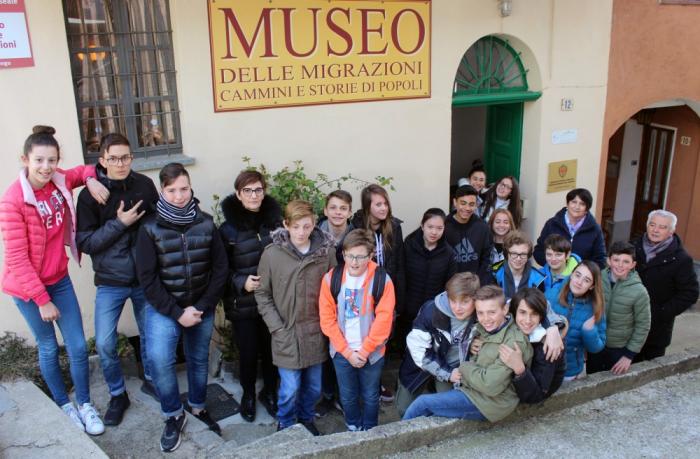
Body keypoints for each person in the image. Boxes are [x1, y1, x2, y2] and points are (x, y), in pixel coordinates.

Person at [0, 125, 109, 435]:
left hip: (58, 278)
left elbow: (84, 169)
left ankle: (85, 404)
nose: (46, 167)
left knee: (76, 345)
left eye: (52, 160)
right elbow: (17, 259)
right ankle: (64, 405)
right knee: (48, 347)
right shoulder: (12, 201)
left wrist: (89, 179)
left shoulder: (57, 179)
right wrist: (42, 300)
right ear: (25, 159)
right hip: (26, 288)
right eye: (39, 161)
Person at [136, 163, 228, 452]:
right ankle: (174, 414)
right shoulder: (149, 228)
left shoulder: (206, 223)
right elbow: (147, 279)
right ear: (162, 191)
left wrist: (200, 307)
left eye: (184, 189)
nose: (179, 196)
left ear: (191, 188)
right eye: (172, 190)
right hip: (165, 308)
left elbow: (221, 269)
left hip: (201, 305)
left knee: (198, 359)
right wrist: (177, 313)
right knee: (160, 360)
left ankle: (199, 408)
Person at [76, 133, 159, 426]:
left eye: (126, 157)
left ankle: (151, 380)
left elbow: (157, 226)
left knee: (150, 335)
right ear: (102, 160)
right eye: (113, 158)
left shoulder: (145, 185)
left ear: (132, 158)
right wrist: (120, 223)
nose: (120, 163)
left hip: (144, 278)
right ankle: (117, 393)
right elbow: (86, 243)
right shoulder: (89, 196)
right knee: (106, 342)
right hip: (110, 281)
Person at [255, 200, 337, 435]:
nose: (302, 232)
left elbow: (334, 290)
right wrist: (277, 327)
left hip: (316, 331)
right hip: (286, 331)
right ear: (286, 225)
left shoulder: (326, 253)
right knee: (289, 387)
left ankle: (306, 416)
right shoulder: (272, 254)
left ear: (314, 225)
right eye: (296, 227)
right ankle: (286, 422)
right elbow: (262, 292)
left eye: (307, 226)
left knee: (313, 386)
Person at [402, 285, 533, 423]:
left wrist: (464, 367)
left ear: (505, 309)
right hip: (473, 390)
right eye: (480, 313)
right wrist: (470, 345)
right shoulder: (487, 327)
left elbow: (489, 386)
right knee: (432, 406)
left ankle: (397, 442)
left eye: (491, 312)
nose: (486, 319)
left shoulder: (513, 344)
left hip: (489, 403)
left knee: (422, 404)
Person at [219, 170, 282, 422]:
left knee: (271, 351)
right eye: (248, 190)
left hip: (273, 302)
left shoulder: (275, 223)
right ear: (238, 194)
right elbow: (219, 269)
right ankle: (247, 394)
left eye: (258, 190)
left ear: (264, 191)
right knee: (247, 352)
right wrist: (240, 281)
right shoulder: (227, 229)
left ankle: (270, 392)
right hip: (242, 303)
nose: (254, 195)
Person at [318, 229, 396, 431]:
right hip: (342, 352)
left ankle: (370, 429)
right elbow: (327, 320)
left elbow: (384, 320)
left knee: (370, 395)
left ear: (371, 256)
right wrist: (347, 352)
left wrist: (363, 351)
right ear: (343, 254)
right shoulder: (331, 279)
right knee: (347, 394)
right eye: (350, 256)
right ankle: (353, 426)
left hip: (372, 352)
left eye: (360, 257)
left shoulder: (382, 280)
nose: (354, 262)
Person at [395, 272, 480, 417]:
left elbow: (495, 325)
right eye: (453, 301)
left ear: (475, 299)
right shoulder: (431, 312)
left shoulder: (480, 314)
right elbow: (419, 351)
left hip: (454, 365)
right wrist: (447, 373)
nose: (458, 307)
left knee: (446, 409)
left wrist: (474, 343)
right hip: (422, 365)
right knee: (404, 409)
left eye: (465, 302)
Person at [350, 184, 404, 402]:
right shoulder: (355, 227)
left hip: (386, 292)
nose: (384, 208)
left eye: (386, 203)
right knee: (360, 338)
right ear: (367, 206)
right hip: (362, 292)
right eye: (378, 204)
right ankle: (356, 385)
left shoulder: (394, 227)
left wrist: (399, 300)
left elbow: (399, 264)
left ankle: (375, 383)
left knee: (381, 340)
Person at [631, 210, 699, 361]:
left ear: (671, 231)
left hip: (655, 331)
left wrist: (662, 312)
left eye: (662, 227)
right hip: (626, 324)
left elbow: (690, 293)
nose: (655, 230)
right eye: (652, 225)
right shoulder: (633, 247)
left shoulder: (681, 259)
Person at [398, 208, 457, 353]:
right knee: (407, 351)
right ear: (422, 225)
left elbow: (449, 285)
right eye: (430, 227)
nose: (434, 232)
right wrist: (401, 305)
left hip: (434, 313)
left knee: (429, 352)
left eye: (439, 228)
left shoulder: (448, 253)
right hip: (409, 311)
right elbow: (401, 276)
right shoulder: (408, 245)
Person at [316, 189, 353, 416]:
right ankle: (327, 395)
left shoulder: (356, 236)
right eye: (333, 207)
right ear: (325, 210)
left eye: (343, 208)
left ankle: (343, 395)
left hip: (349, 302)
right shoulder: (315, 234)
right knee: (324, 351)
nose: (338, 213)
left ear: (350, 212)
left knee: (344, 349)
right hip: (322, 300)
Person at [588, 241, 651, 375]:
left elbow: (643, 325)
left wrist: (629, 355)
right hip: (595, 343)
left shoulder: (639, 291)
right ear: (608, 261)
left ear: (633, 265)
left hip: (619, 349)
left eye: (626, 261)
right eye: (616, 260)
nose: (620, 265)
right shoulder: (596, 279)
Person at [500, 288, 566, 403]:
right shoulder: (509, 324)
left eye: (534, 314)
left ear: (541, 317)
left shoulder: (548, 346)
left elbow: (537, 396)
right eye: (523, 312)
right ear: (514, 311)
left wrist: (520, 370)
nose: (527, 320)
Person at [546, 261, 606, 380]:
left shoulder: (595, 308)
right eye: (578, 275)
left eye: (586, 280)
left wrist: (589, 331)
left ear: (592, 286)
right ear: (571, 274)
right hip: (544, 365)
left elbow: (597, 348)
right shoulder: (551, 295)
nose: (579, 282)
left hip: (570, 370)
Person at [533, 188, 606, 268]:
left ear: (587, 209)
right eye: (573, 202)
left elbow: (600, 260)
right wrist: (553, 266)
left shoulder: (595, 229)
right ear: (567, 204)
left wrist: (582, 272)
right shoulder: (552, 224)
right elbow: (538, 251)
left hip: (581, 278)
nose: (577, 207)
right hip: (553, 275)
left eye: (582, 204)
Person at [444, 185, 493, 286]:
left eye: (471, 204)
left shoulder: (482, 227)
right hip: (449, 286)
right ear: (455, 202)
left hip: (475, 285)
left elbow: (486, 259)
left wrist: (479, 283)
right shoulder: (444, 226)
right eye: (463, 203)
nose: (467, 208)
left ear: (476, 205)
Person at [494, 231, 546, 300]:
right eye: (514, 254)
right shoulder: (494, 273)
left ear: (528, 255)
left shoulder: (538, 278)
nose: (518, 258)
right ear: (507, 253)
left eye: (523, 254)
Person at [488, 208, 515, 272]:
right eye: (497, 222)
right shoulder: (484, 244)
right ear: (491, 224)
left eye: (506, 222)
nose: (501, 225)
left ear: (510, 225)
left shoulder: (516, 246)